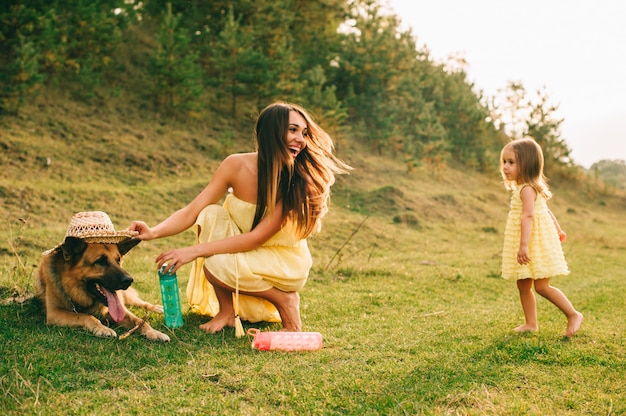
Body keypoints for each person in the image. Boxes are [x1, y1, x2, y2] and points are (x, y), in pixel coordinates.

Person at [128, 102, 350, 334]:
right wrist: (153, 231)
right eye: (292, 130)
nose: (301, 139)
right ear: (271, 132)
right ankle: (226, 312)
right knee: (210, 214)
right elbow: (192, 210)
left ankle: (284, 299)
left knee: (214, 263)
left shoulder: (295, 179)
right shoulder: (235, 165)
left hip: (281, 260)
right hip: (244, 251)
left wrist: (192, 251)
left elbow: (255, 238)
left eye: (303, 133)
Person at [500, 137, 583, 337]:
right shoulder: (523, 187)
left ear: (527, 164)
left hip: (533, 242)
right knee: (523, 283)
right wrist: (558, 228)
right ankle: (531, 323)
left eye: (511, 162)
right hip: (532, 240)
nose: (505, 167)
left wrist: (523, 246)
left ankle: (573, 314)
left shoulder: (527, 189)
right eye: (504, 162)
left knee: (542, 286)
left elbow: (529, 216)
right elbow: (545, 210)